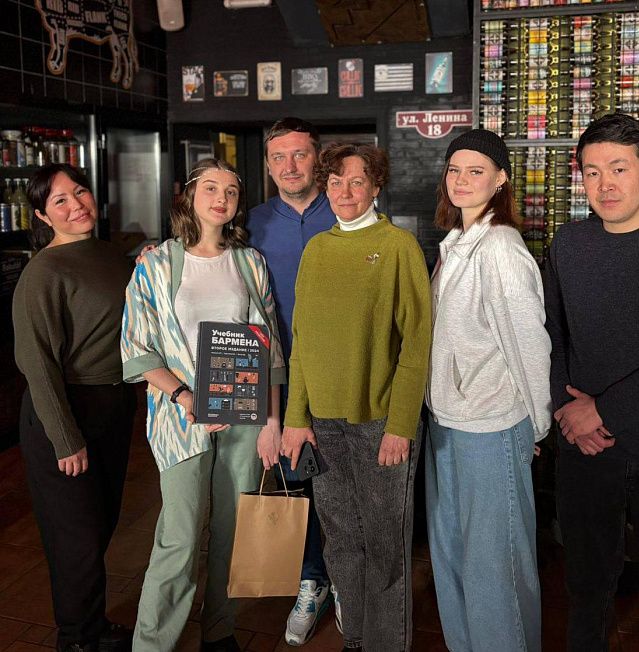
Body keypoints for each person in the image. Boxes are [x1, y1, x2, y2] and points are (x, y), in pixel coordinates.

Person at [545, 113, 639, 652]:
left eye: (618, 168)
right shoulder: (569, 243)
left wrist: (602, 412)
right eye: (591, 172)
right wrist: (568, 415)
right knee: (585, 590)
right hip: (586, 451)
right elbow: (552, 335)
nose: (604, 184)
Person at [120, 158, 285, 652]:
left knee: (234, 530)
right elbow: (136, 346)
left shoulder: (249, 263)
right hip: (180, 416)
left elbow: (270, 348)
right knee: (181, 536)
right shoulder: (155, 264)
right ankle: (153, 643)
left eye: (231, 191)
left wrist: (272, 420)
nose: (221, 198)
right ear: (189, 196)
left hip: (243, 413)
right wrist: (186, 396)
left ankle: (220, 631)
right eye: (210, 188)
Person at [281, 143, 432, 652]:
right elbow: (302, 340)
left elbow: (417, 343)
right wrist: (296, 417)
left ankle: (387, 644)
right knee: (342, 540)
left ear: (375, 186)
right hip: (322, 425)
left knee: (385, 545)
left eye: (357, 181)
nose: (345, 192)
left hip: (379, 423)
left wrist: (401, 425)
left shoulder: (397, 246)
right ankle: (357, 639)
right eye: (335, 182)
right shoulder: (317, 249)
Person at [425, 130, 551, 652]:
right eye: (454, 169)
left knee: (495, 568)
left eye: (475, 171)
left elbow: (530, 344)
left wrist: (536, 425)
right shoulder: (456, 242)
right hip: (447, 421)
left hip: (490, 425)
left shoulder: (500, 247)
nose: (461, 180)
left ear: (500, 179)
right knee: (453, 558)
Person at [12, 163, 135, 652]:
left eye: (79, 192)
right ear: (43, 216)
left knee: (100, 525)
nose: (76, 204)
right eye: (59, 200)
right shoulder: (43, 272)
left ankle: (93, 625)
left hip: (112, 404)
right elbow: (37, 364)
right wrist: (65, 439)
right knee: (76, 541)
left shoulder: (109, 254)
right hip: (63, 411)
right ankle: (77, 640)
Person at [247, 117, 336, 646]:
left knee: (342, 487)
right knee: (294, 482)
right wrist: (156, 252)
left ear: (317, 158)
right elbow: (201, 251)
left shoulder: (348, 209)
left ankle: (345, 579)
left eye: (300, 154)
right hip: (278, 380)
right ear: (268, 165)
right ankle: (311, 580)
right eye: (279, 157)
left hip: (340, 376)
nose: (290, 166)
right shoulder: (251, 222)